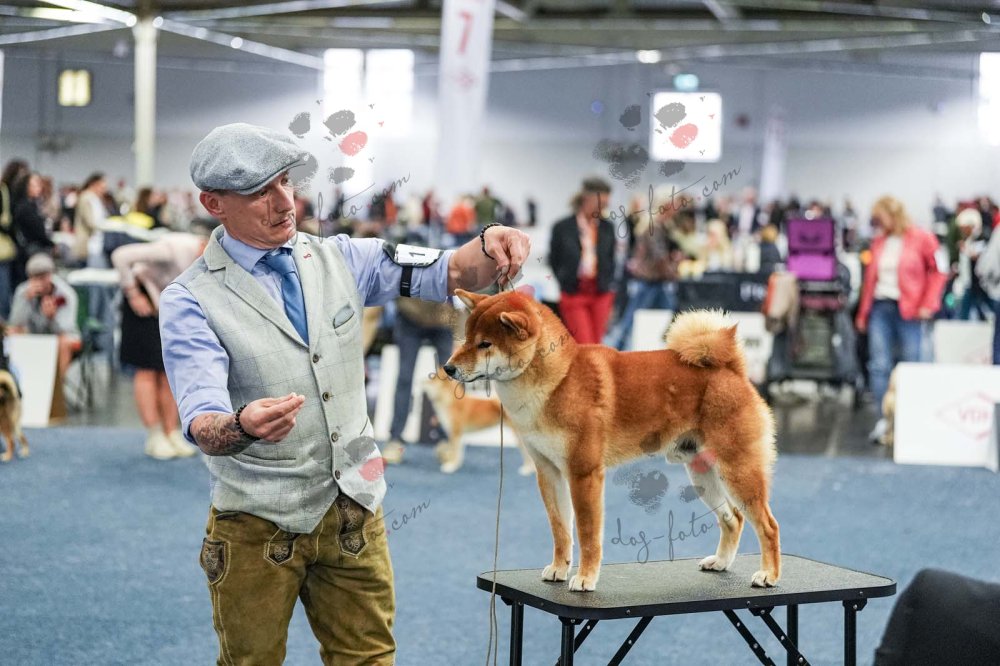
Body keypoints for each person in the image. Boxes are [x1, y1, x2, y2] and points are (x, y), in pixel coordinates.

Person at [158, 122, 530, 665]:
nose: (285, 202)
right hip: (255, 523)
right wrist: (241, 425)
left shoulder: (346, 257)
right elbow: (202, 421)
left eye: (285, 182)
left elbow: (452, 270)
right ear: (214, 204)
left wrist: (491, 239)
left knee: (369, 660)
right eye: (260, 192)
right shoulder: (189, 298)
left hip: (356, 508)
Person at [112, 223, 213, 460]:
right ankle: (154, 435)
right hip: (141, 300)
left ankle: (171, 432)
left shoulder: (207, 263)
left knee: (169, 371)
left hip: (166, 306)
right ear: (205, 243)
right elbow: (120, 256)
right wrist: (133, 293)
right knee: (147, 370)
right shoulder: (174, 248)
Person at [855, 196, 946, 443]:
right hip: (880, 307)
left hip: (910, 310)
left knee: (911, 365)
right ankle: (884, 420)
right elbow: (869, 281)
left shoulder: (923, 238)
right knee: (879, 365)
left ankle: (911, 422)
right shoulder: (878, 241)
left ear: (893, 214)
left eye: (880, 217)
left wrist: (928, 304)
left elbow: (938, 273)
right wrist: (863, 313)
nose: (876, 222)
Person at [548, 177, 616, 344]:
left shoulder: (607, 228)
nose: (603, 208)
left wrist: (609, 285)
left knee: (597, 344)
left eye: (606, 204)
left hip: (601, 292)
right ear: (586, 198)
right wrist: (564, 280)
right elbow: (554, 259)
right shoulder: (562, 227)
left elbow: (610, 259)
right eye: (601, 203)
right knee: (584, 344)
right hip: (574, 293)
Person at [8, 253, 80, 380]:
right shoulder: (23, 291)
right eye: (35, 278)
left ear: (50, 276)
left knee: (64, 343)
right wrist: (26, 301)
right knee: (12, 334)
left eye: (42, 278)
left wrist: (52, 318)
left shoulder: (65, 294)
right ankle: (18, 381)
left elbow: (66, 329)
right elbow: (15, 323)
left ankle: (58, 385)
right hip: (32, 335)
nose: (39, 283)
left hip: (59, 336)